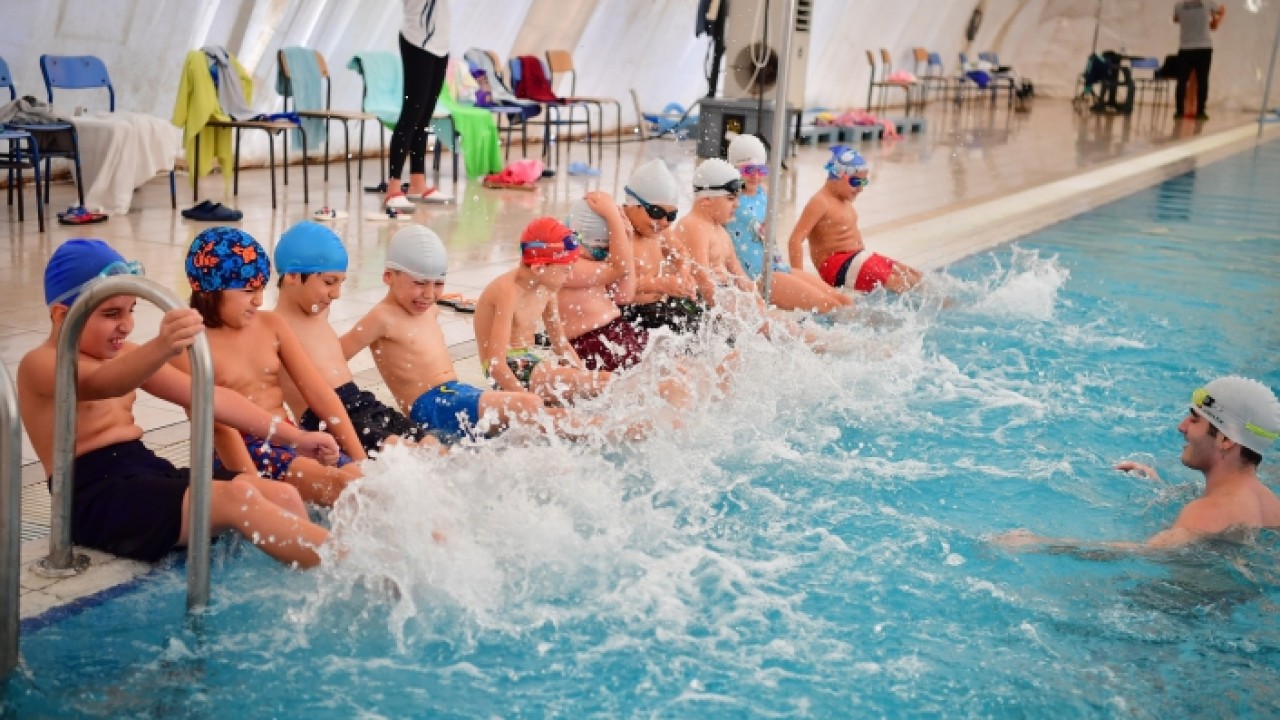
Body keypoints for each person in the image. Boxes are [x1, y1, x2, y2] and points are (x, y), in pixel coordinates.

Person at [18, 239, 336, 568]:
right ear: (62, 315)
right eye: (111, 314)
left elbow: (209, 396)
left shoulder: (125, 354)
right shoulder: (41, 364)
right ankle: (345, 568)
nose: (126, 325)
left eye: (130, 311)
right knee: (238, 500)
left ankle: (310, 583)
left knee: (279, 494)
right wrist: (163, 345)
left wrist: (294, 438)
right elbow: (106, 383)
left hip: (145, 470)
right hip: (94, 496)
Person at [178, 227, 366, 506]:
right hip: (240, 450)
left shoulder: (271, 326)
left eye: (261, 289)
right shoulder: (191, 346)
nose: (259, 300)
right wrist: (257, 489)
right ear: (208, 291)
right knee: (345, 489)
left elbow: (320, 393)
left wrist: (360, 460)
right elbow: (218, 428)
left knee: (363, 482)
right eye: (248, 291)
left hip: (287, 436)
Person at [998, 376, 1280, 551]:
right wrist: (1160, 488)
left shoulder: (1207, 511)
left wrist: (1040, 544)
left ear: (1226, 440)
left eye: (1195, 420)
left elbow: (1143, 553)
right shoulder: (1269, 505)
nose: (1182, 427)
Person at [340, 224, 551, 440]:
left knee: (551, 417)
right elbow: (335, 357)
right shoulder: (381, 318)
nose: (429, 294)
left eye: (438, 284)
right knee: (529, 405)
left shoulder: (430, 309)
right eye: (420, 283)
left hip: (456, 393)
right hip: (431, 407)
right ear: (388, 276)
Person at [270, 221, 438, 454]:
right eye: (329, 282)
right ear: (292, 276)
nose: (336, 294)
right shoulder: (274, 328)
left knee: (431, 445)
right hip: (323, 418)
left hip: (362, 402)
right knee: (404, 453)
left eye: (340, 283)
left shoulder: (319, 313)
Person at [474, 217, 613, 405]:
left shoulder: (547, 289)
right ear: (539, 268)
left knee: (602, 381)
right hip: (509, 368)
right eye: (566, 270)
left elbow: (561, 345)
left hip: (532, 360)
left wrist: (583, 375)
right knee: (599, 384)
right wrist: (528, 403)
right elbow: (496, 365)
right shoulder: (507, 292)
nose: (570, 276)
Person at [724, 134, 852, 313]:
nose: (756, 176)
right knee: (830, 306)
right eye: (749, 170)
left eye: (761, 170)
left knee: (843, 300)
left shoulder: (764, 191)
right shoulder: (728, 198)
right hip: (760, 277)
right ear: (734, 168)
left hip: (778, 266)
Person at [788, 146, 924, 294]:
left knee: (914, 276)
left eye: (863, 183)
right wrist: (799, 280)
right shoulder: (820, 202)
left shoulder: (844, 201)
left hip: (856, 259)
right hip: (836, 265)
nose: (860, 189)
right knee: (899, 284)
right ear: (837, 174)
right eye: (855, 182)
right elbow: (795, 240)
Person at [558, 192, 651, 372]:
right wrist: (613, 219)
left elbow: (624, 295)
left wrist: (627, 239)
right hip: (590, 344)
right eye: (599, 251)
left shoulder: (597, 264)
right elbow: (619, 268)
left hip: (617, 331)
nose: (603, 256)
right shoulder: (565, 265)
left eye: (608, 250)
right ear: (574, 238)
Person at [614, 158, 704, 335]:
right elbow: (611, 285)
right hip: (625, 312)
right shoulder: (618, 231)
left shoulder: (660, 232)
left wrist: (684, 274)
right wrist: (659, 284)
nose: (663, 222)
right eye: (656, 212)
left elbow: (680, 252)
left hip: (654, 307)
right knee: (679, 327)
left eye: (671, 216)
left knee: (698, 318)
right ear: (633, 204)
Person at [382, 0, 454, 210]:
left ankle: (417, 183)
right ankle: (393, 188)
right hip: (418, 40)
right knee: (411, 114)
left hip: (441, 43)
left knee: (424, 118)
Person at [1173, 0, 1224, 121]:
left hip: (1185, 47)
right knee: (1203, 81)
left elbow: (1176, 20)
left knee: (1182, 81)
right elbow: (1218, 15)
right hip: (1204, 47)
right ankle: (1200, 111)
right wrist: (1216, 19)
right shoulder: (1208, 3)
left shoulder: (1179, 5)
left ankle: (1179, 111)